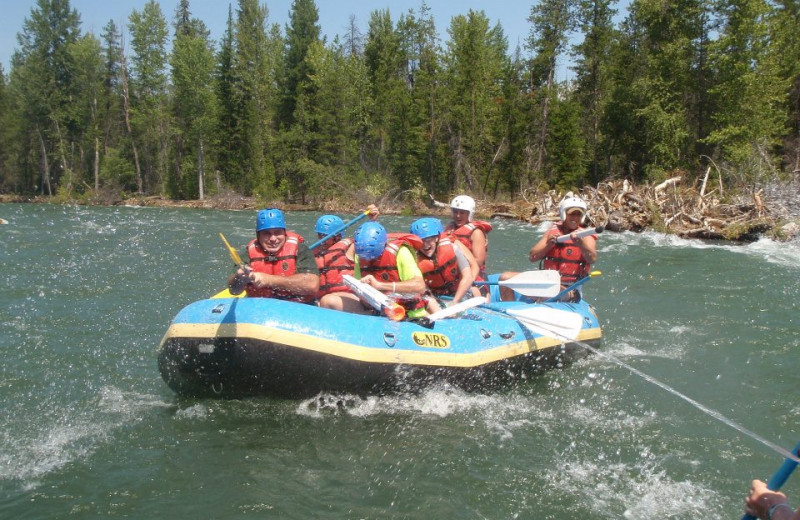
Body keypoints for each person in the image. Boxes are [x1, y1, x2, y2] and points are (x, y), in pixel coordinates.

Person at [498, 194, 598, 302]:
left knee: (548, 293)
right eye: (571, 214)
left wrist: (581, 244)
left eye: (578, 214)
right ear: (564, 214)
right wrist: (548, 245)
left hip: (570, 288)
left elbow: (592, 259)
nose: (575, 218)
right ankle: (509, 312)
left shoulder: (585, 235)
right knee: (505, 278)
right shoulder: (552, 231)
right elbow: (532, 257)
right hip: (547, 281)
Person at [319, 221, 427, 319]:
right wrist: (364, 292)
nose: (368, 260)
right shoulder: (360, 255)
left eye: (372, 256)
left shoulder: (400, 252)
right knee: (328, 301)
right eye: (364, 257)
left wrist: (380, 286)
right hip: (376, 309)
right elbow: (361, 295)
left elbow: (420, 286)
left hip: (405, 313)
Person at [227, 208, 319, 303]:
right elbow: (234, 291)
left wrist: (270, 280)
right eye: (266, 233)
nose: (273, 239)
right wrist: (240, 278)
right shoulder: (248, 254)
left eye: (277, 232)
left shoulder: (301, 250)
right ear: (258, 236)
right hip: (262, 308)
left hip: (297, 308)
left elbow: (312, 285)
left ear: (285, 234)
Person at [409, 217, 479, 313]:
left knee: (475, 291)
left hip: (459, 293)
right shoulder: (414, 260)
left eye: (428, 239)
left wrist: (454, 302)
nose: (425, 245)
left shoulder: (453, 248)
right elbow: (421, 289)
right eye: (421, 241)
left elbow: (467, 276)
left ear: (437, 237)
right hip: (436, 297)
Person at [312, 205, 379, 299]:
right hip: (322, 301)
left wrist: (372, 221)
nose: (321, 239)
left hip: (348, 297)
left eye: (324, 236)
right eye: (319, 235)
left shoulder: (350, 248)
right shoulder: (313, 252)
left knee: (329, 300)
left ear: (338, 237)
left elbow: (369, 241)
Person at [444, 195, 492, 280]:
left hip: (475, 275)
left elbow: (478, 262)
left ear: (469, 214)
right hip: (452, 273)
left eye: (462, 212)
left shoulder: (476, 233)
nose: (458, 215)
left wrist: (456, 266)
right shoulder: (449, 228)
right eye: (455, 212)